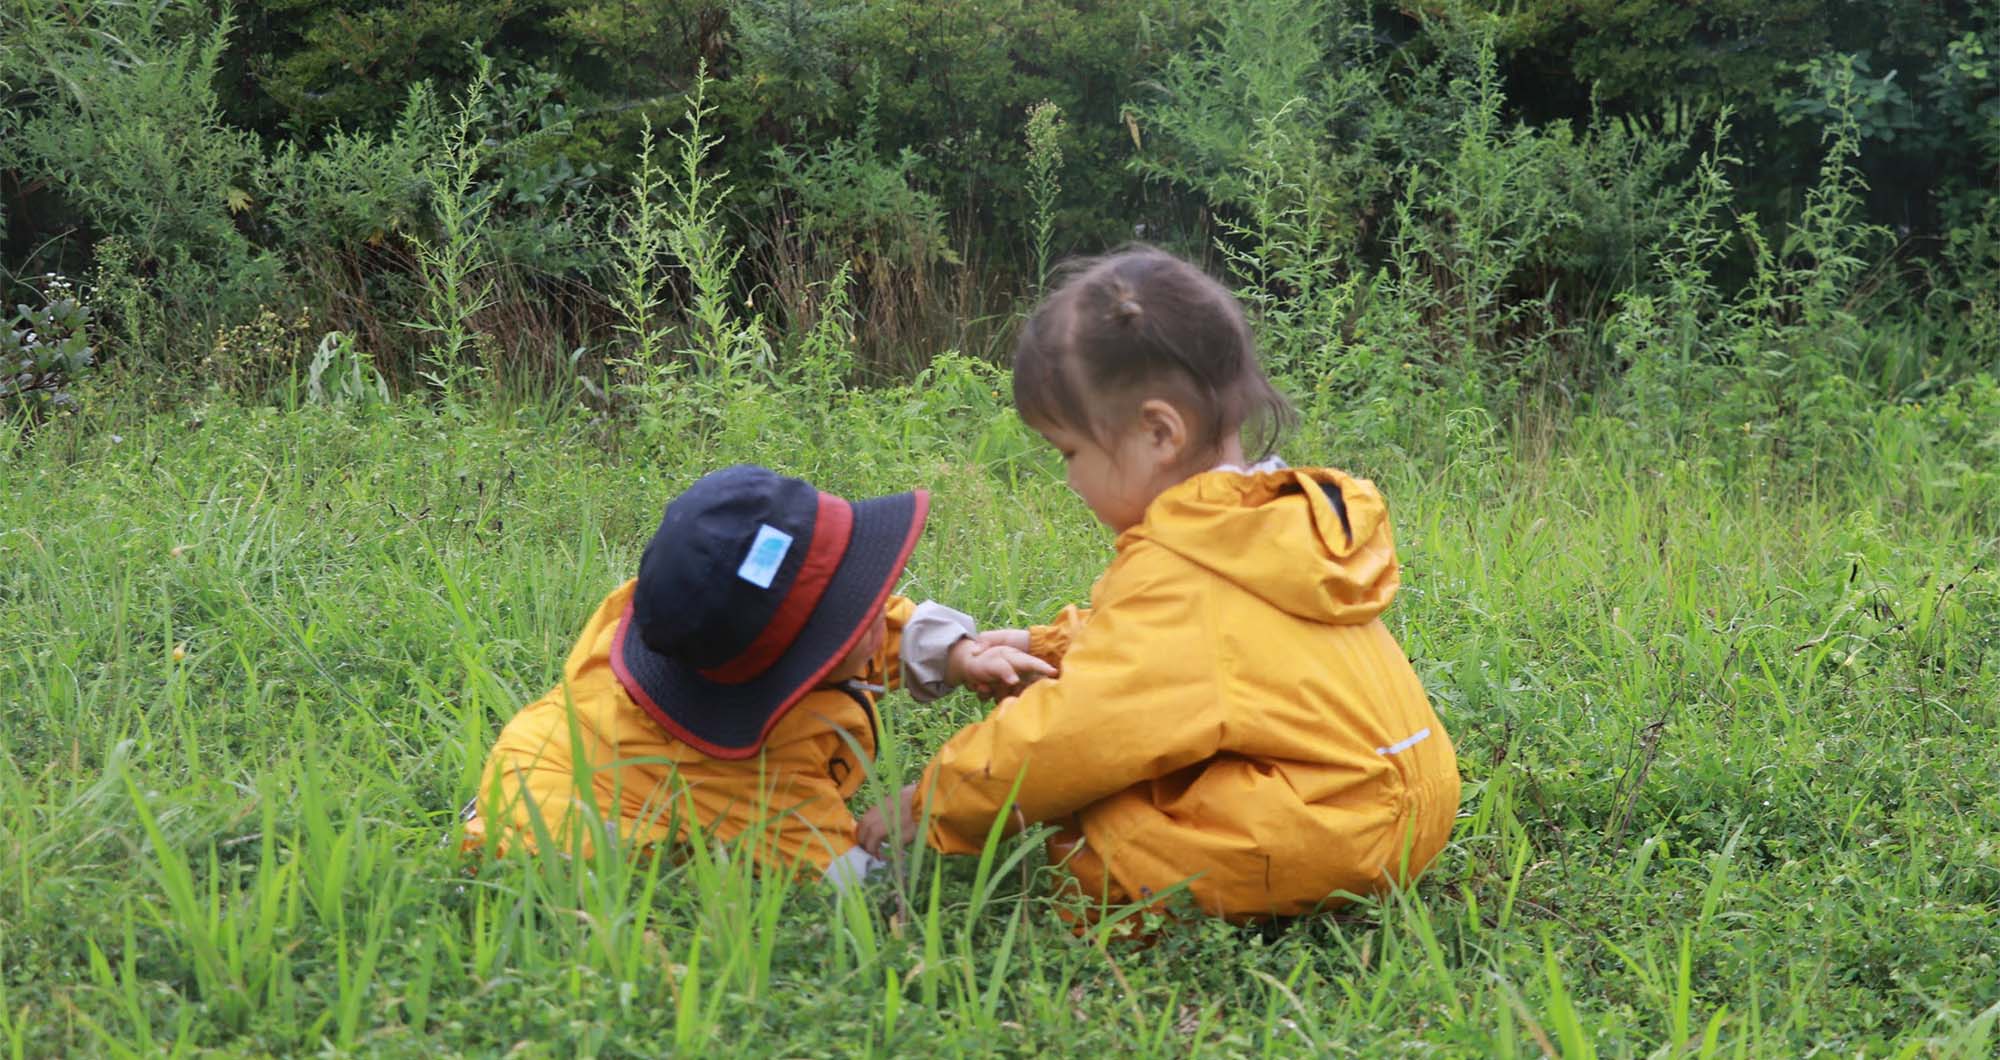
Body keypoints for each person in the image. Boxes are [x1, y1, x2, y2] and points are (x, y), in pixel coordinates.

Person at [861, 247, 1459, 921]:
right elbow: (1206, 650)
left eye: (1071, 453)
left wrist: (932, 800)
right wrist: (1050, 645)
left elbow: (1074, 737)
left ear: (1158, 433)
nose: (1069, 480)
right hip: (1413, 801)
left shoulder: (1180, 572)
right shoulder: (1268, 524)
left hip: (1325, 835)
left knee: (1086, 823)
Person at [463, 464, 1051, 886]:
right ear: (797, 670)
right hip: (549, 828)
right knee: (646, 874)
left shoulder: (716, 636)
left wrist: (959, 653)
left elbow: (872, 627)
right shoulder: (753, 775)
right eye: (855, 614)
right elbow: (845, 872)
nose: (880, 608)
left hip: (578, 752)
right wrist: (949, 816)